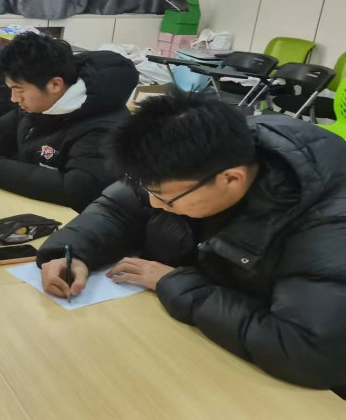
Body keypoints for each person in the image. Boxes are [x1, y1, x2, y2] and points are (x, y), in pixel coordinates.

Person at [37, 93, 346, 394]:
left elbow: (308, 352)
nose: (154, 204)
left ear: (232, 179)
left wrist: (177, 284)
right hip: (187, 341)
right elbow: (118, 207)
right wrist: (73, 252)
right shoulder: (187, 158)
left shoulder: (328, 223)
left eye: (166, 199)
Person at [0, 32, 138, 212]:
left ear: (55, 85)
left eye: (19, 90)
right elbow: (2, 128)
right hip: (28, 202)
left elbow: (77, 188)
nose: (14, 99)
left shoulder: (103, 125)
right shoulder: (42, 102)